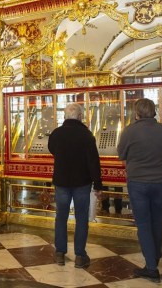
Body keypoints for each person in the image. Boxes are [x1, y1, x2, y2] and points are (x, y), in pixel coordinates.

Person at [117, 98, 162, 283]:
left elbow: (121, 154)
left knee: (143, 224)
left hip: (138, 182)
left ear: (136, 113)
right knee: (157, 219)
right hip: (160, 181)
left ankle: (151, 267)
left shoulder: (130, 131)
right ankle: (155, 255)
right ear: (153, 111)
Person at [48, 103, 102, 269]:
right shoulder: (86, 135)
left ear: (65, 116)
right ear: (80, 117)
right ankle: (80, 255)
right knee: (81, 218)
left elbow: (52, 150)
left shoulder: (56, 134)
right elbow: (93, 162)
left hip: (62, 182)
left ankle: (59, 254)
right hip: (82, 183)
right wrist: (98, 185)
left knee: (61, 217)